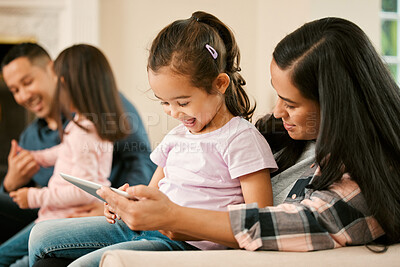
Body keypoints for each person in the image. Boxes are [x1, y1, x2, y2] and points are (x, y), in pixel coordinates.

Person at [30, 15, 400, 265]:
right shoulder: (281, 133)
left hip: (204, 248)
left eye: (291, 103)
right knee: (43, 239)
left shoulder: (364, 178)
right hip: (171, 228)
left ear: (338, 105)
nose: (277, 111)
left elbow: (289, 221)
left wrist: (173, 216)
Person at [29, 11, 278, 266]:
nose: (173, 112)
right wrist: (124, 202)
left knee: (82, 264)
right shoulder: (177, 136)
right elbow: (151, 192)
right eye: (165, 103)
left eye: (183, 102)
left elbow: (261, 222)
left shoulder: (242, 139)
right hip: (146, 228)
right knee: (41, 234)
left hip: (186, 245)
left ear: (220, 84)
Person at [0, 43, 155, 243]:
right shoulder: (30, 138)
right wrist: (10, 183)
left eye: (28, 82)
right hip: (49, 210)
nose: (23, 96)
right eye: (14, 90)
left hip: (94, 209)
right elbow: (25, 196)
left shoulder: (96, 106)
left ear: (52, 70)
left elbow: (141, 159)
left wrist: (116, 206)